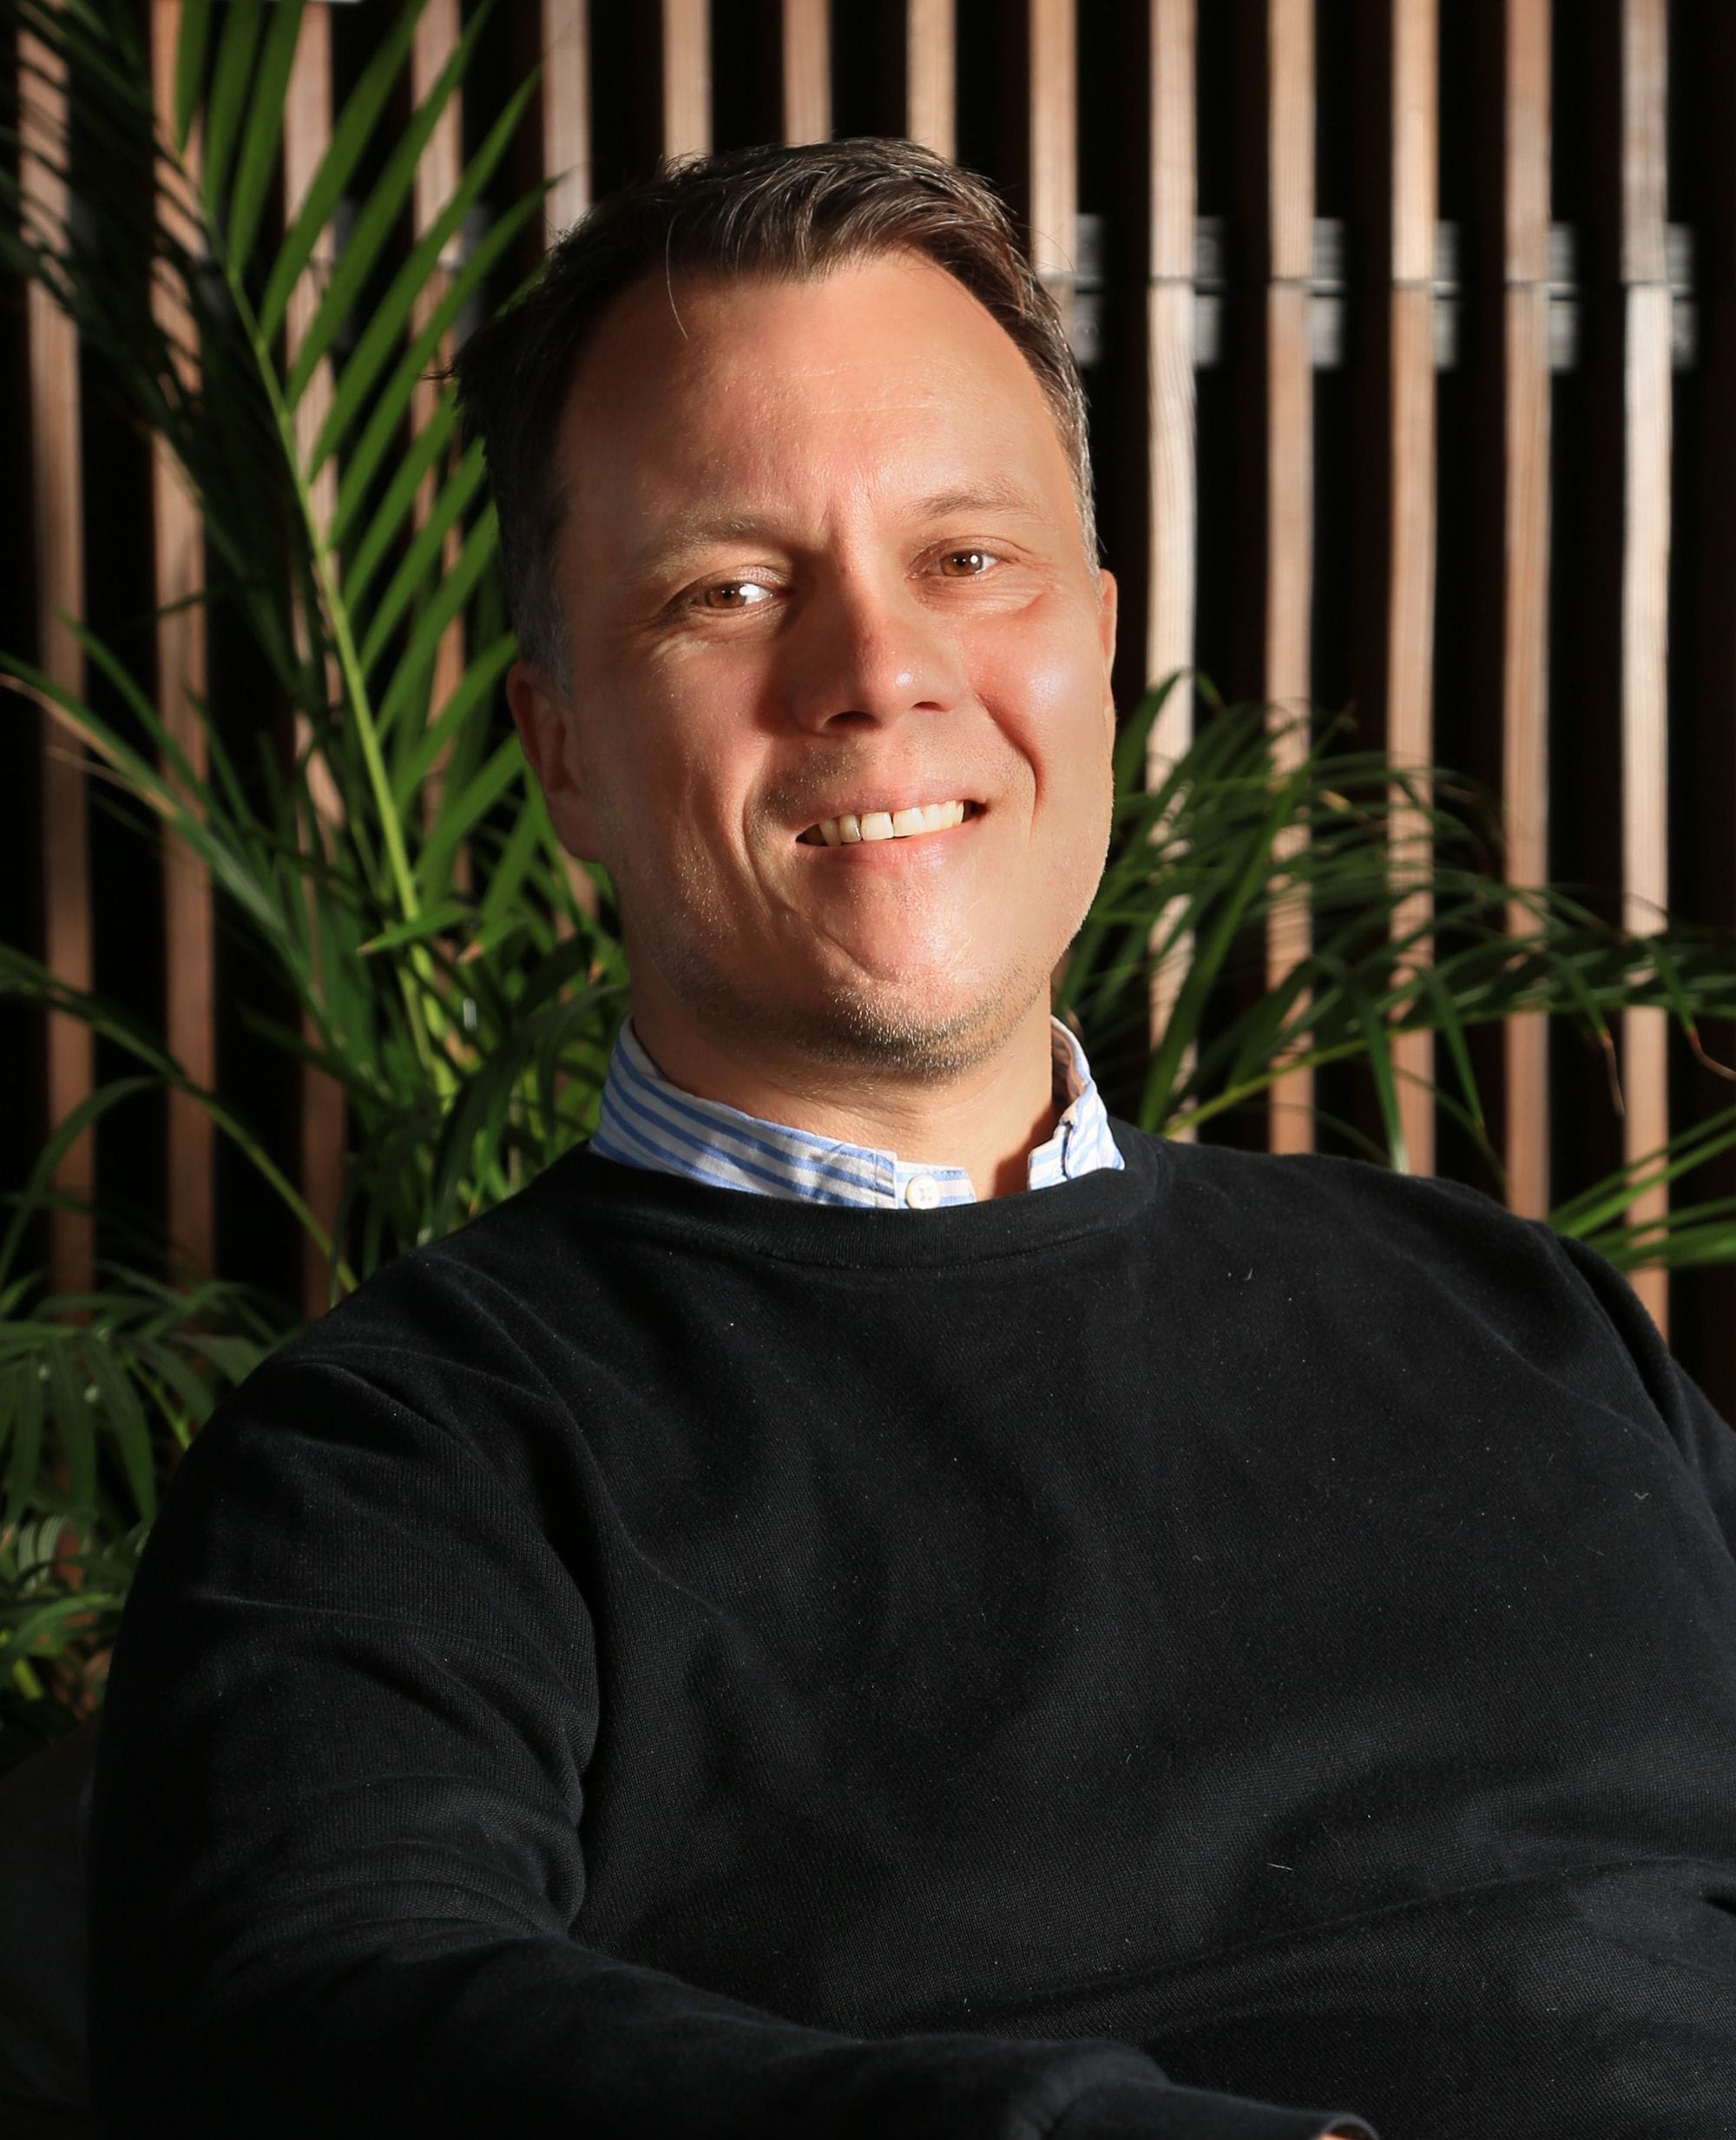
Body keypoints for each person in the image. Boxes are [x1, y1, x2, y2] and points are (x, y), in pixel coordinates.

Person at [88, 139, 1736, 2140]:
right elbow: (317, 2008)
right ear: (564, 757)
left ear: (1098, 648)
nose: (877, 673)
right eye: (731, 589)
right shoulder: (402, 1464)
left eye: (968, 559)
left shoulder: (1510, 1311)